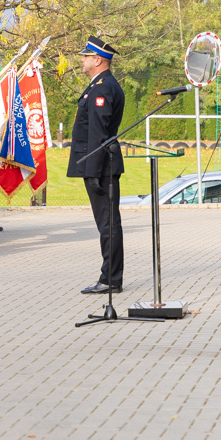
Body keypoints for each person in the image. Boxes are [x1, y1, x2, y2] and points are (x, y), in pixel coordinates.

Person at [67, 36, 125, 294]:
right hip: (101, 165)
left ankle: (110, 279)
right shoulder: (100, 85)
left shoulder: (102, 88)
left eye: (86, 56)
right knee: (107, 223)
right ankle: (109, 276)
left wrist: (92, 171)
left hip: (102, 167)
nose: (82, 59)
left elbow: (98, 135)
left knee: (108, 224)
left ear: (98, 59)